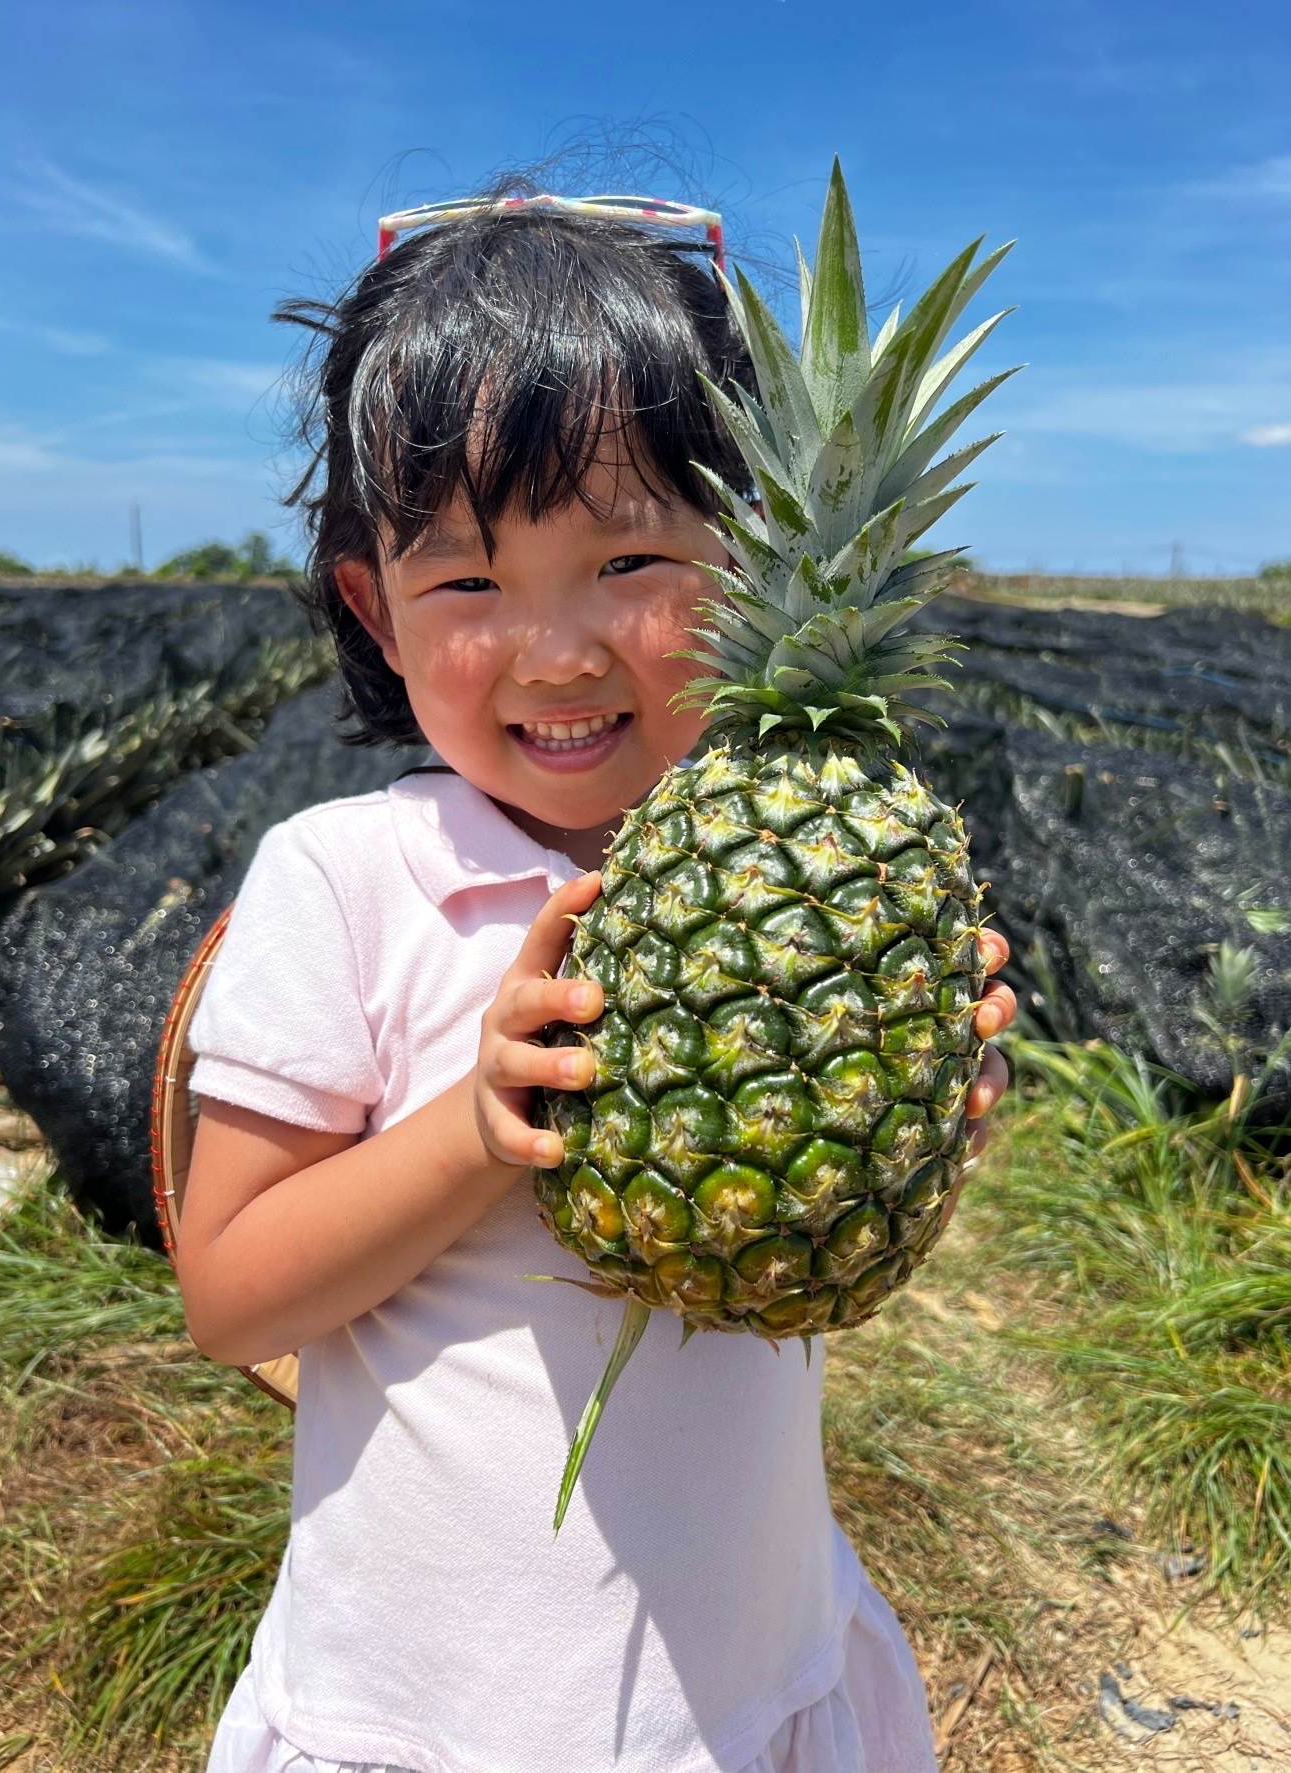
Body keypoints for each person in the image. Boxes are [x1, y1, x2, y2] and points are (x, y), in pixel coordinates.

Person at [176, 172, 1017, 1773]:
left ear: (748, 560)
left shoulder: (800, 869)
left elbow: (796, 1248)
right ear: (373, 606)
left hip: (736, 1679)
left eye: (630, 560)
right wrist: (474, 1127)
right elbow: (229, 1292)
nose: (556, 651)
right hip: (425, 1709)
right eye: (468, 581)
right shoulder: (344, 878)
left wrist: (909, 1108)